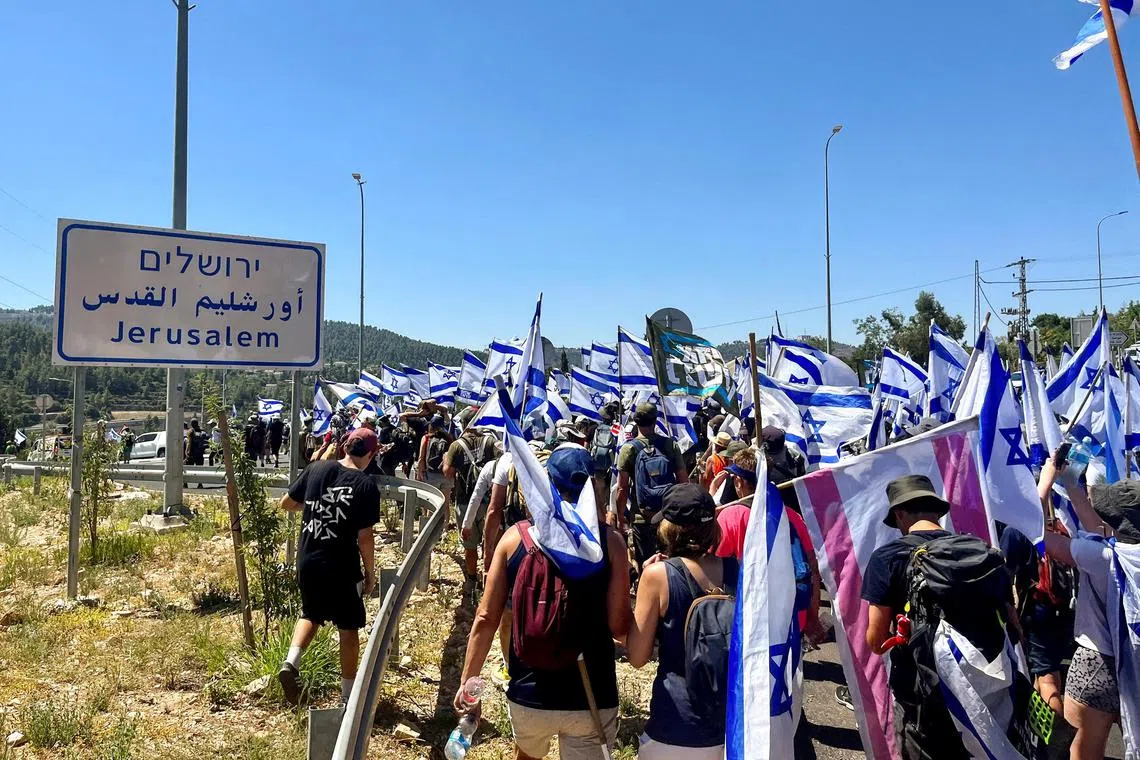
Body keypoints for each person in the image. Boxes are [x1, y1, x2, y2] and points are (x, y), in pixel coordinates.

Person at [455, 447, 631, 760]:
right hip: (592, 693)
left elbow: (485, 618)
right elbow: (619, 628)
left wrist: (470, 686)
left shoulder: (515, 539)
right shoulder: (612, 544)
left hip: (529, 693)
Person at [860, 475, 975, 760]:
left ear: (899, 514)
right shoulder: (974, 549)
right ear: (937, 511)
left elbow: (875, 639)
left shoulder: (888, 557)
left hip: (919, 688)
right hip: (976, 685)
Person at [625, 484, 736, 759]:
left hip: (674, 723)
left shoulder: (657, 576)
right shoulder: (738, 569)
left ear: (668, 529)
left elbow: (637, 657)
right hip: (730, 726)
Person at [1038, 456, 1138, 760]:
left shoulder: (1102, 557)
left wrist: (1044, 485)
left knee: (1083, 754)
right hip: (1135, 660)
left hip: (1097, 665)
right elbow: (1099, 527)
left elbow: (1040, 540)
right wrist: (1070, 483)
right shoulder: (1116, 552)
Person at [276, 427, 382, 706]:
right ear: (371, 454)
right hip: (342, 567)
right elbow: (365, 536)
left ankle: (291, 663)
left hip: (308, 560)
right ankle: (347, 698)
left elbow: (286, 503)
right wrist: (370, 573)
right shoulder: (365, 485)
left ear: (346, 447)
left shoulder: (316, 469)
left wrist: (316, 505)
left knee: (311, 613)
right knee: (348, 630)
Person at [714, 447, 824, 643]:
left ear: (739, 481)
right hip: (791, 615)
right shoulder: (791, 515)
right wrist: (812, 616)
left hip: (750, 616)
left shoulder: (730, 516)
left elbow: (714, 569)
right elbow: (812, 568)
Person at [614, 403, 689, 570]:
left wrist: (620, 516)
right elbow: (684, 481)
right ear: (655, 421)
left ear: (636, 421)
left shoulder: (628, 449)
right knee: (670, 559)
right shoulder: (670, 445)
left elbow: (622, 488)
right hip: (668, 514)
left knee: (645, 562)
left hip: (641, 515)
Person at [444, 424, 500, 577]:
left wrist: (446, 460)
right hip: (489, 502)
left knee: (470, 546)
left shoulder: (456, 445)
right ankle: (492, 578)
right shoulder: (490, 442)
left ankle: (472, 578)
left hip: (464, 501)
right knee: (492, 544)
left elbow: (448, 473)